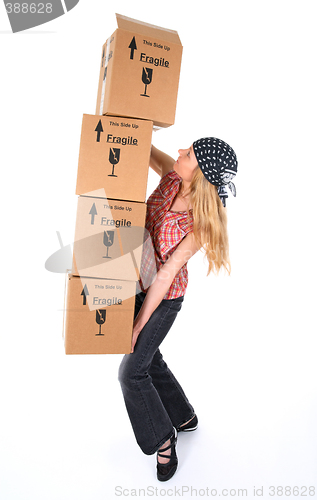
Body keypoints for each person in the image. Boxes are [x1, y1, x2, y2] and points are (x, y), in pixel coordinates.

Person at [118, 137, 238, 481]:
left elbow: (167, 274)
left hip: (165, 297)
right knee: (149, 359)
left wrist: (140, 324)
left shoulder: (200, 222)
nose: (181, 152)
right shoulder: (173, 176)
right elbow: (142, 144)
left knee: (131, 372)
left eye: (189, 155)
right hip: (139, 279)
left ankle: (163, 439)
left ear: (199, 174)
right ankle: (184, 416)